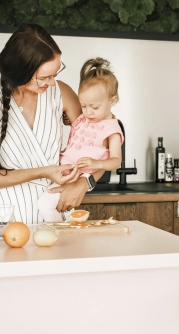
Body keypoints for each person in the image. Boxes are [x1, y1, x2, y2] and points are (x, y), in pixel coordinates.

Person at [0, 24, 101, 224]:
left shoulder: (61, 94)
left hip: (56, 218)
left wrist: (84, 182)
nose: (52, 83)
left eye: (55, 74)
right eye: (44, 78)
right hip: (5, 224)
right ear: (20, 72)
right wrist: (43, 171)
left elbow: (103, 149)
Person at [37, 57, 124, 222]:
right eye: (84, 106)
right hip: (63, 171)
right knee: (50, 205)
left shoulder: (112, 130)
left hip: (77, 175)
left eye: (94, 107)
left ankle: (60, 231)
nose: (88, 112)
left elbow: (116, 162)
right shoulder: (84, 118)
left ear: (112, 100)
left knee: (44, 204)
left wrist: (96, 164)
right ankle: (68, 224)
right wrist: (67, 119)